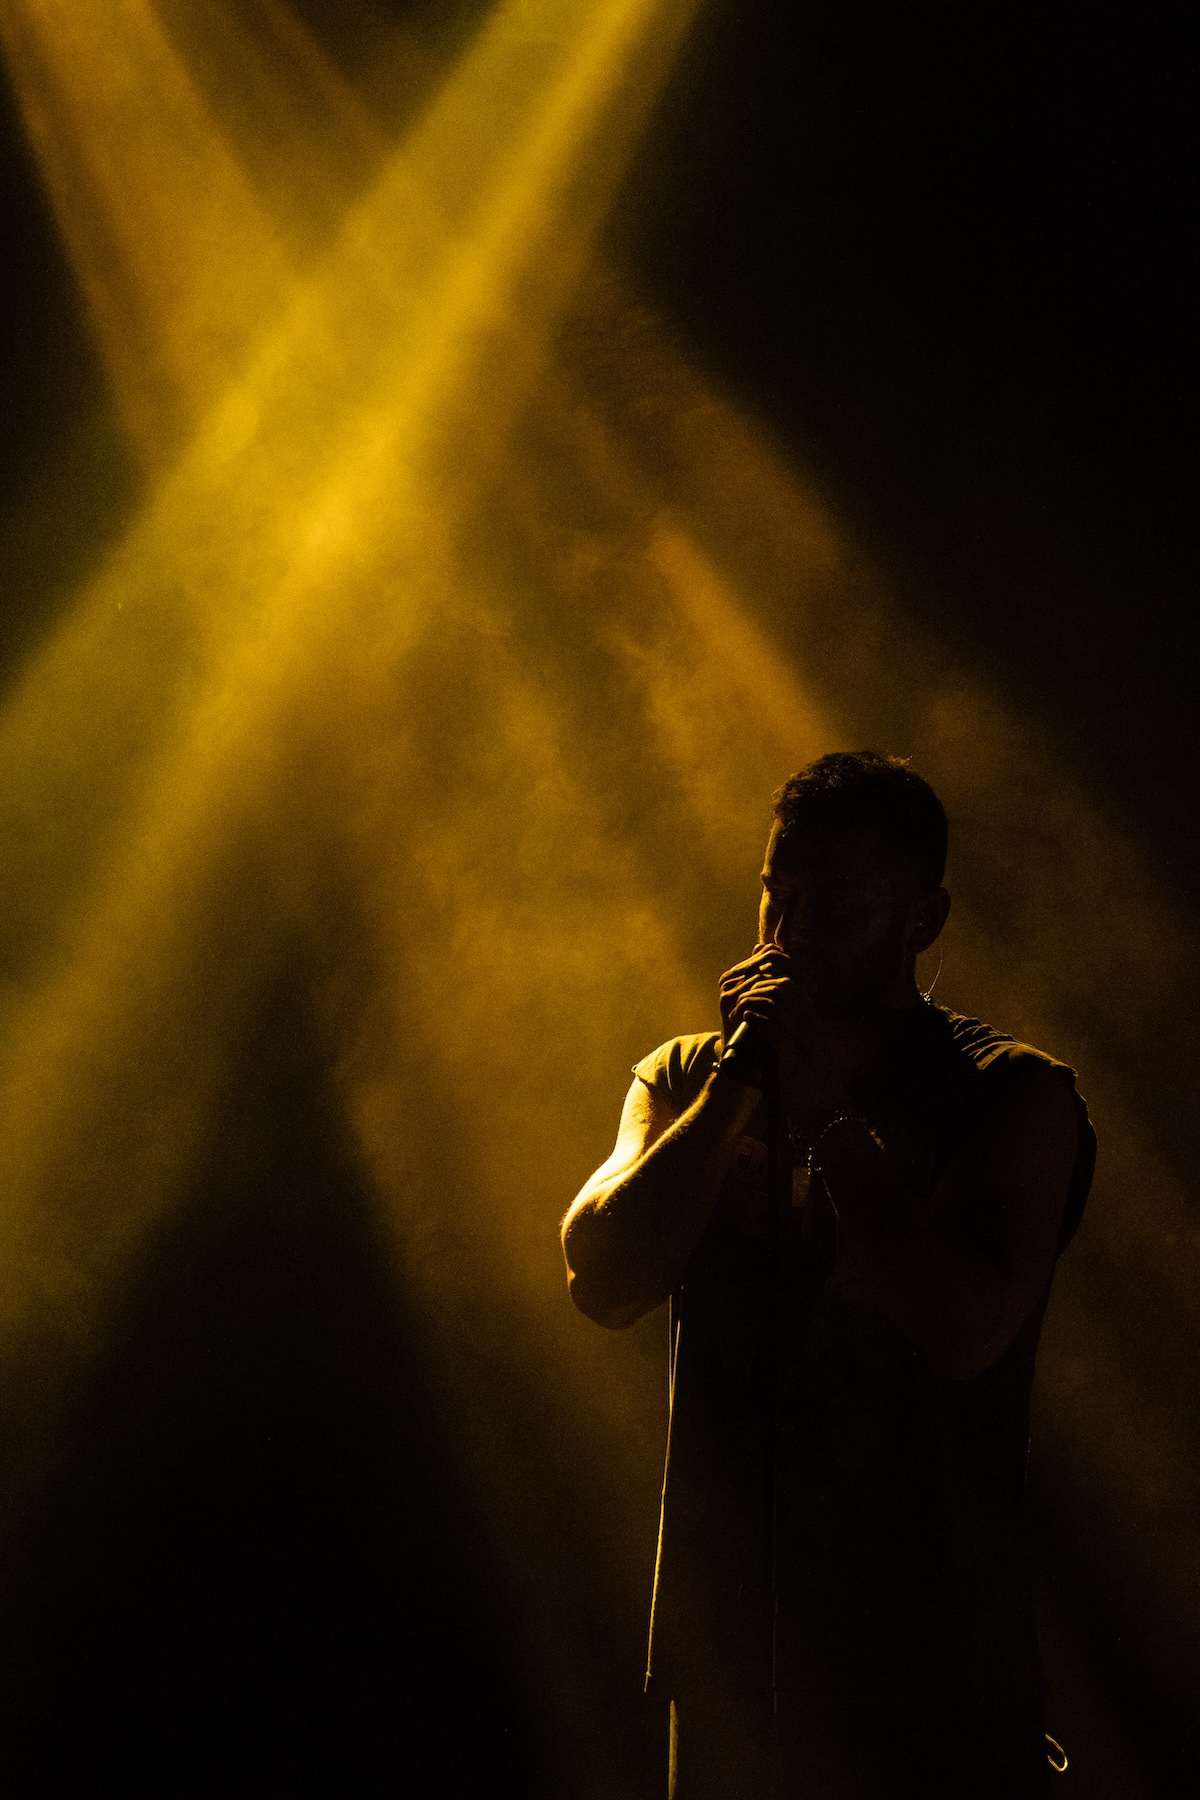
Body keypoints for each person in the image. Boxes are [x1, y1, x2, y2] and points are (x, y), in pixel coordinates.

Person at [560, 751, 1095, 1800]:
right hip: (728, 1659)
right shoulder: (685, 1076)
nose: (789, 938)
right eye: (777, 898)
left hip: (936, 1680)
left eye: (834, 908)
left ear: (922, 918)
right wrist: (734, 1095)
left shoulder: (1011, 1095)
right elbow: (602, 1276)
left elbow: (965, 1328)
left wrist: (829, 1123)